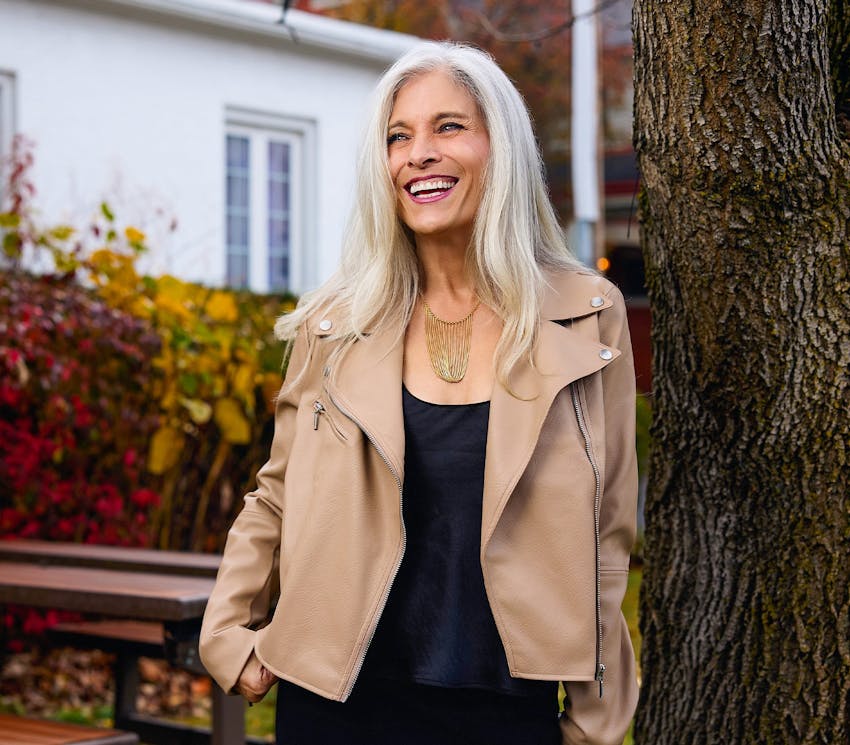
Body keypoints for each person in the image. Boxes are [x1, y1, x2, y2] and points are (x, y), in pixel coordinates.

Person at [200, 41, 638, 745]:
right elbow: (276, 494)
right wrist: (226, 633)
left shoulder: (584, 314)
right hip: (336, 704)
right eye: (397, 136)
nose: (418, 153)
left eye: (448, 127)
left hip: (505, 707)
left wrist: (597, 709)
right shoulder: (335, 322)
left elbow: (608, 526)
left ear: (502, 146)